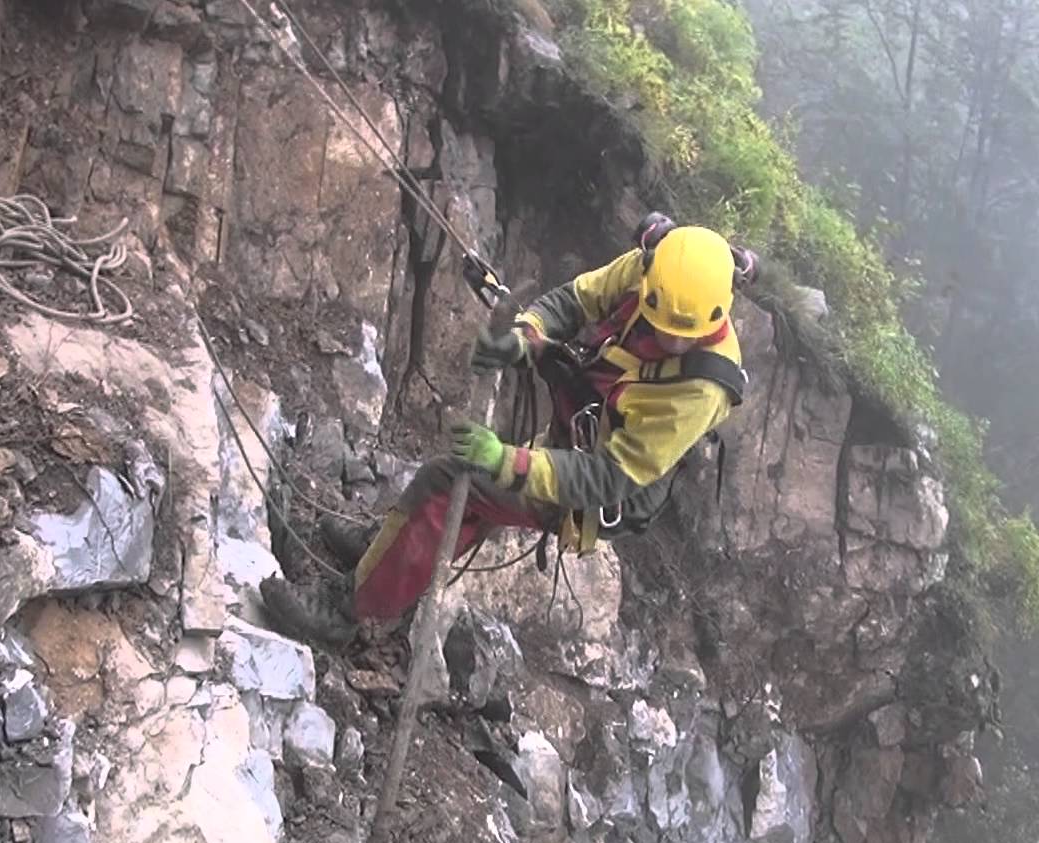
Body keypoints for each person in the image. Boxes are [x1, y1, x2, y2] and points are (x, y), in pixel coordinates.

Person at [261, 216, 754, 646]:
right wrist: (526, 336)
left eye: (677, 336)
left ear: (715, 316)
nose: (665, 337)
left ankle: (346, 611)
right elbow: (575, 302)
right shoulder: (654, 269)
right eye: (659, 322)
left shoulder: (702, 387)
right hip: (583, 429)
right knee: (473, 494)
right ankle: (381, 549)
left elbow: (609, 477)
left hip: (604, 491)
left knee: (455, 481)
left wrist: (507, 461)